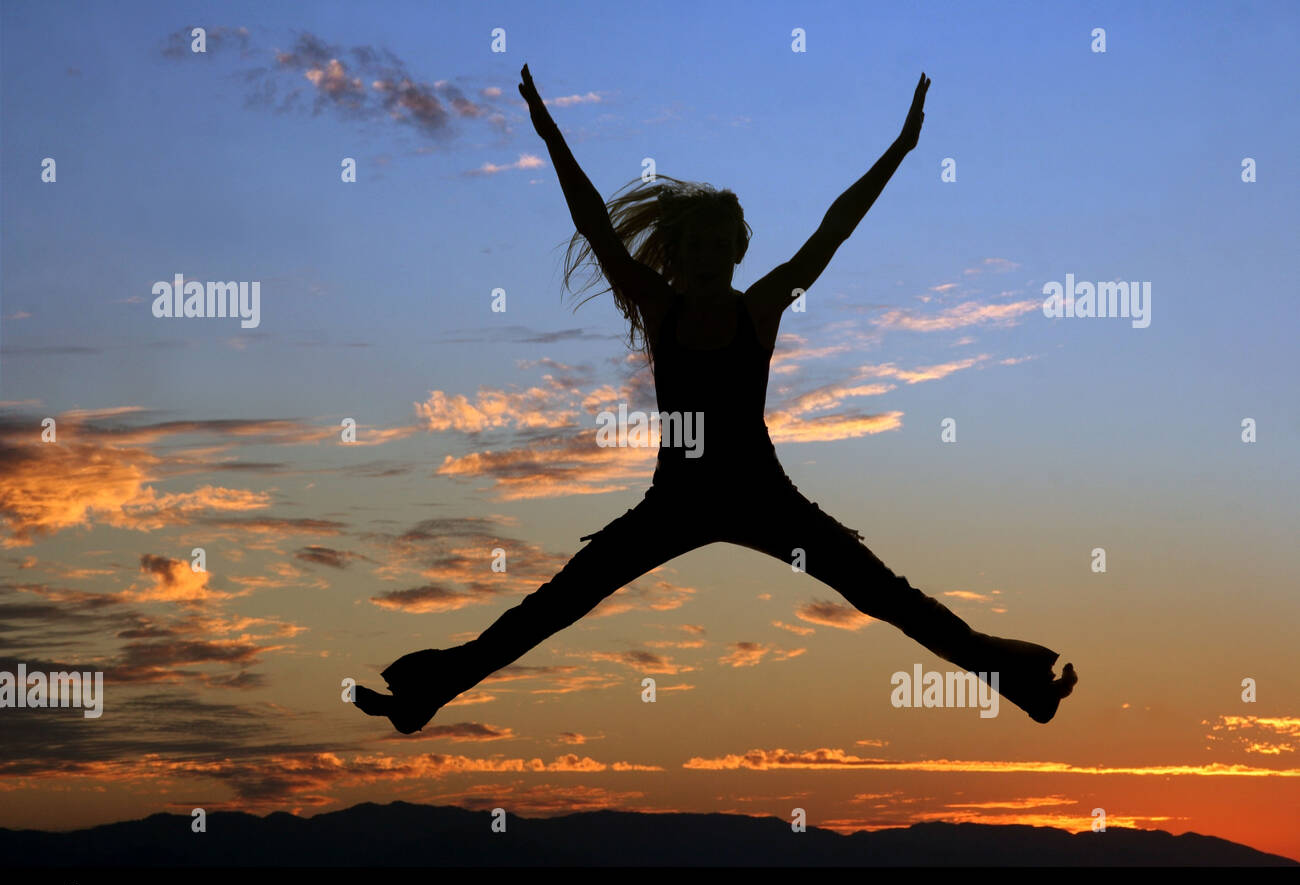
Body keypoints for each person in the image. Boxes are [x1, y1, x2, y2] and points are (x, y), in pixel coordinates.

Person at [355, 66, 1076, 734]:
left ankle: (1024, 687)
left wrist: (902, 148)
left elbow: (835, 229)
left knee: (886, 597)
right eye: (693, 245)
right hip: (676, 502)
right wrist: (549, 134)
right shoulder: (660, 307)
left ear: (736, 251)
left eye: (717, 245)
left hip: (764, 497)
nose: (703, 256)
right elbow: (595, 226)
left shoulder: (758, 309)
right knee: (554, 606)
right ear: (679, 254)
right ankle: (423, 697)